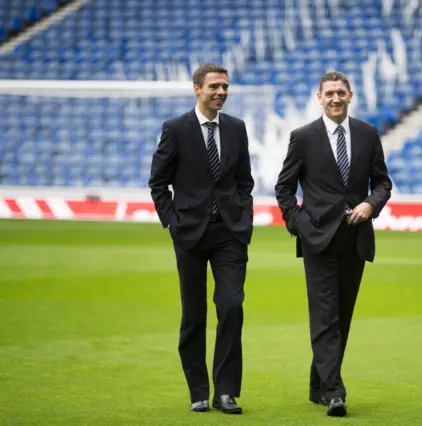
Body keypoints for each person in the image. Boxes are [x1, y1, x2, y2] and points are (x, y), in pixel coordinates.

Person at [274, 71, 392, 417]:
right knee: (325, 316)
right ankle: (334, 392)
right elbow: (284, 188)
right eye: (329, 94)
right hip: (317, 239)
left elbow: (383, 182)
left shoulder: (368, 134)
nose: (336, 98)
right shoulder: (303, 137)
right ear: (319, 98)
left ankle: (317, 384)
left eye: (341, 93)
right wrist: (298, 224)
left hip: (355, 239)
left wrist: (371, 204)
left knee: (342, 317)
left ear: (350, 95)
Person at [148, 63, 254, 415]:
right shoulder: (176, 129)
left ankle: (226, 393)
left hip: (230, 234)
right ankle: (198, 391)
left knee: (231, 306)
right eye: (214, 87)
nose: (221, 92)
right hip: (189, 234)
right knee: (193, 316)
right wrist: (172, 223)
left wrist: (244, 218)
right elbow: (158, 182)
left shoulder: (237, 129)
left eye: (225, 86)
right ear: (197, 89)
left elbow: (244, 182)